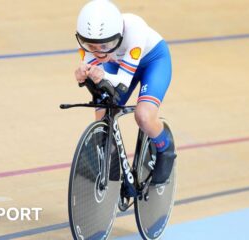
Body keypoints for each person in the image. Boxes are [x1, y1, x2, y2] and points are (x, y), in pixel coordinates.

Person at [74, 0, 176, 185]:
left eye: (105, 46)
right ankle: (111, 163)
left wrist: (99, 74)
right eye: (91, 46)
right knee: (102, 112)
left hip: (153, 62)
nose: (97, 52)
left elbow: (122, 82)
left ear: (119, 36)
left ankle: (165, 148)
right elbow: (99, 79)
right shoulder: (88, 42)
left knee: (143, 116)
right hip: (118, 65)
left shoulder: (134, 29)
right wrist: (85, 75)